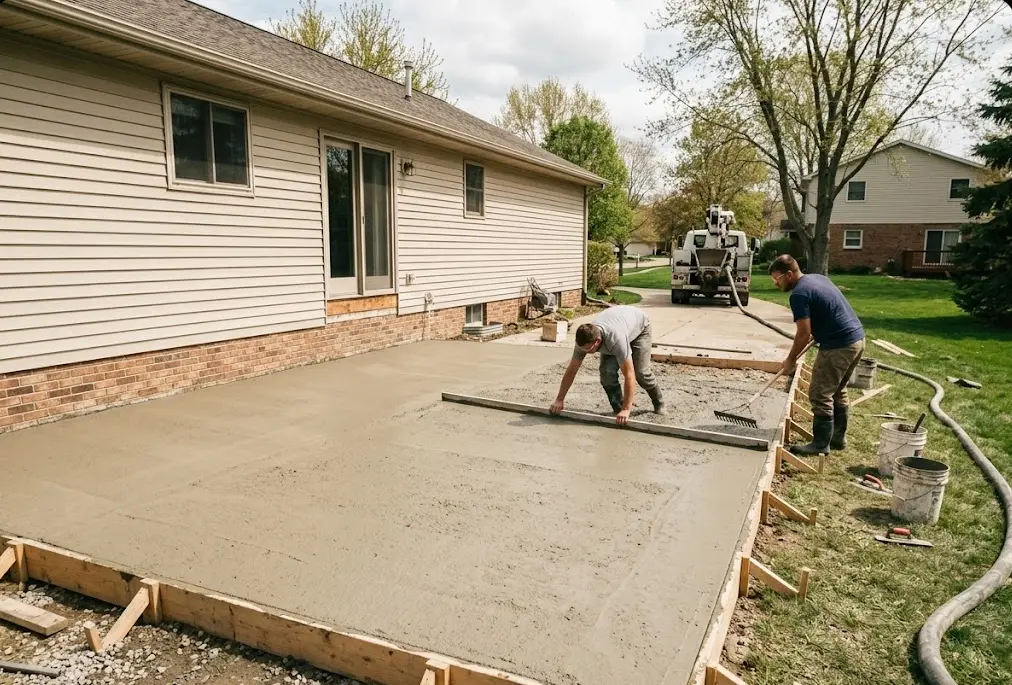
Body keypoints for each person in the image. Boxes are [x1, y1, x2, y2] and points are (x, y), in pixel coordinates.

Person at [769, 254, 865, 454]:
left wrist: (790, 359)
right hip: (856, 339)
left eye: (777, 279)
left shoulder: (799, 294)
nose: (775, 284)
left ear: (789, 274)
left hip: (839, 345)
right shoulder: (818, 278)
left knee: (819, 393)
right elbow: (826, 309)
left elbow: (803, 333)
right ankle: (837, 438)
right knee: (838, 390)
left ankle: (820, 445)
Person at [549, 305, 665, 425]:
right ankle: (618, 406)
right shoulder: (583, 342)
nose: (585, 352)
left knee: (640, 373)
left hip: (640, 327)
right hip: (619, 323)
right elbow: (572, 369)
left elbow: (629, 375)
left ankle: (659, 402)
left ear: (597, 341)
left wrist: (627, 410)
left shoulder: (615, 340)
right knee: (606, 373)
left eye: (588, 349)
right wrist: (559, 399)